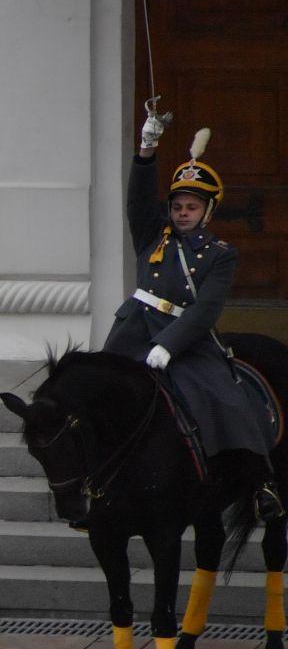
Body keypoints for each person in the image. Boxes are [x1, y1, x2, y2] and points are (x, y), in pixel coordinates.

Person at [100, 114, 281, 523]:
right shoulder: (152, 233)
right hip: (132, 331)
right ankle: (96, 478)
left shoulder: (221, 252)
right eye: (178, 206)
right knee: (95, 394)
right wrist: (147, 150)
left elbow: (205, 311)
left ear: (207, 211)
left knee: (229, 399)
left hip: (186, 338)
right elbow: (138, 199)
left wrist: (168, 345)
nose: (182, 213)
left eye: (191, 207)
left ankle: (260, 483)